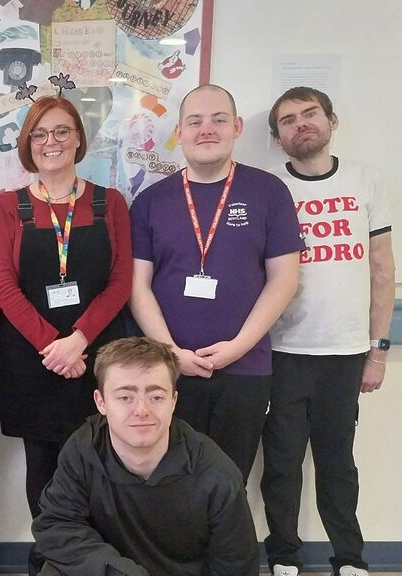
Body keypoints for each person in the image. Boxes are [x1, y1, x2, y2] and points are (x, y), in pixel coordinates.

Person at [128, 84, 304, 482]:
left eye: (218, 120)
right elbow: (137, 287)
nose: (206, 129)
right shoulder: (151, 201)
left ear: (237, 127)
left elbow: (284, 279)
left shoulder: (269, 192)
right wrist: (171, 353)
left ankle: (223, 550)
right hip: (166, 372)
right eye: (195, 121)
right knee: (167, 482)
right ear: (180, 131)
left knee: (229, 483)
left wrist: (236, 349)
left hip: (245, 369)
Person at [0, 95, 132, 573]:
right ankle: (50, 558)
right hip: (33, 362)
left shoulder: (109, 203)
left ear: (78, 139)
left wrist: (79, 340)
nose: (51, 142)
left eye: (61, 131)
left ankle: (95, 561)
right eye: (40, 134)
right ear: (29, 144)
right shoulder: (11, 207)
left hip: (96, 359)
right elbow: (3, 286)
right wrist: (53, 345)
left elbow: (120, 282)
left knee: (101, 463)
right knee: (43, 468)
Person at [261, 87, 396, 576]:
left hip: (346, 350)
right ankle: (283, 557)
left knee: (338, 464)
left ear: (331, 120)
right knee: (281, 464)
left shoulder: (365, 180)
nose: (301, 124)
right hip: (283, 350)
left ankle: (350, 559)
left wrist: (378, 351)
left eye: (309, 114)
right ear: (277, 138)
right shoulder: (269, 188)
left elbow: (382, 270)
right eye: (288, 120)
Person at [33, 337, 258, 575]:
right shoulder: (82, 449)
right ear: (101, 402)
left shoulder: (216, 474)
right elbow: (57, 525)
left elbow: (236, 566)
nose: (142, 410)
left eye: (156, 397)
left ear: (173, 402)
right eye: (125, 397)